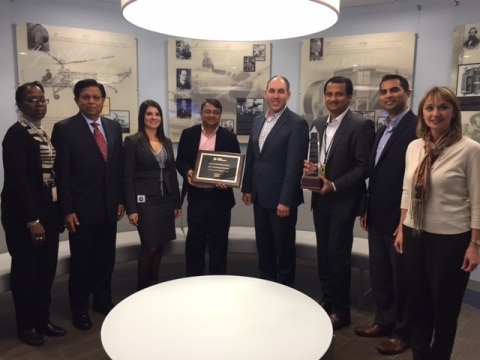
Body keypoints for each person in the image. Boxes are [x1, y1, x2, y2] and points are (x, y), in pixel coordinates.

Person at [394, 86, 480, 360]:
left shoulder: (470, 149)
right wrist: (401, 226)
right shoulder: (414, 147)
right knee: (417, 304)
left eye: (443, 107)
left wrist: (475, 244)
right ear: (422, 113)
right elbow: (407, 191)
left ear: (453, 112)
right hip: (414, 233)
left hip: (451, 239)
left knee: (444, 309)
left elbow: (478, 201)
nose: (435, 113)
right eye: (429, 108)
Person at [51, 79, 125, 331]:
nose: (91, 102)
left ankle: (102, 301)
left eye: (96, 97)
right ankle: (79, 307)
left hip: (108, 208)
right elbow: (62, 173)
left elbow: (116, 168)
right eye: (86, 97)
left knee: (106, 258)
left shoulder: (114, 128)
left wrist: (120, 200)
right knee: (82, 262)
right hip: (80, 211)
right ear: (76, 100)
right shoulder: (64, 129)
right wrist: (67, 209)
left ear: (104, 100)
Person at [304, 76, 374, 330]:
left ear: (349, 97)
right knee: (324, 254)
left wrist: (333, 184)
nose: (333, 99)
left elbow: (363, 167)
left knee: (338, 256)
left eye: (339, 94)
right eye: (329, 94)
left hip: (342, 200)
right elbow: (319, 157)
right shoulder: (318, 123)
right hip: (319, 200)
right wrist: (312, 168)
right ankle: (328, 299)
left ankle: (342, 311)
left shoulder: (361, 125)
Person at [354, 74, 417, 355]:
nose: (388, 95)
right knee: (381, 274)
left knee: (401, 277)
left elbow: (416, 180)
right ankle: (384, 321)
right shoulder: (383, 128)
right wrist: (367, 208)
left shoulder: (417, 128)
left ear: (407, 93)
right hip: (378, 214)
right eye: (384, 92)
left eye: (394, 90)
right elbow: (376, 175)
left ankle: (404, 333)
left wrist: (405, 221)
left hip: (402, 219)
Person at [1, 81, 66, 346]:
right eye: (32, 100)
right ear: (20, 105)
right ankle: (26, 325)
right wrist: (33, 220)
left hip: (46, 212)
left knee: (45, 270)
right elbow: (18, 182)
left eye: (42, 99)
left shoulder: (40, 132)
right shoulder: (16, 134)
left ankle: (42, 319)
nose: (39, 104)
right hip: (25, 217)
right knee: (26, 272)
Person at [242, 76, 309, 286]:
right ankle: (267, 287)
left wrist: (286, 200)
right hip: (260, 197)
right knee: (264, 247)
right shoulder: (258, 121)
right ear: (265, 94)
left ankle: (286, 292)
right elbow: (254, 157)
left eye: (281, 91)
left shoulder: (297, 124)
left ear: (288, 95)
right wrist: (247, 188)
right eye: (272, 91)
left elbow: (294, 165)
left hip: (281, 201)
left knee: (284, 250)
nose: (275, 96)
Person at [176, 99, 240, 276]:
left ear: (220, 115)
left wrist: (226, 181)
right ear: (201, 113)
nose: (211, 115)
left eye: (215, 112)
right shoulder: (189, 134)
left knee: (219, 245)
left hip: (220, 199)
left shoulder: (229, 137)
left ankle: (217, 282)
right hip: (197, 197)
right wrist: (187, 171)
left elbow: (234, 166)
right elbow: (180, 160)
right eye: (207, 111)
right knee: (195, 243)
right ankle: (193, 281)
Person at [124, 100, 182, 290]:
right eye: (149, 114)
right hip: (145, 202)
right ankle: (142, 287)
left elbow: (172, 173)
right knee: (149, 246)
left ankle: (154, 285)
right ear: (142, 117)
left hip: (165, 200)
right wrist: (131, 208)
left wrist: (177, 202)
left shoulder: (165, 141)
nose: (154, 118)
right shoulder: (133, 141)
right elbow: (128, 176)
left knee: (159, 246)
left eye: (157, 114)